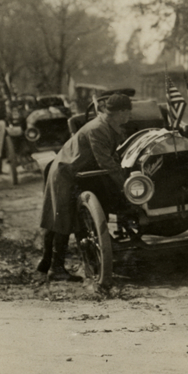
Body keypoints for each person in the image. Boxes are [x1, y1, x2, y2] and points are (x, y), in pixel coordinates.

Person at [36, 92, 133, 282]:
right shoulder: (98, 128)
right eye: (127, 112)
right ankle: (55, 269)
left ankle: (46, 263)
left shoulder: (109, 125)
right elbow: (105, 162)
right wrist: (125, 186)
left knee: (61, 217)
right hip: (65, 172)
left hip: (76, 171)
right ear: (120, 112)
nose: (129, 116)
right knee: (62, 219)